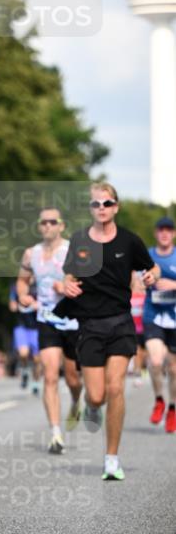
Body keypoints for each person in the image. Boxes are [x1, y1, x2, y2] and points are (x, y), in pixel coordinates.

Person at [56, 182, 159, 480]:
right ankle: (90, 406)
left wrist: (152, 275)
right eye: (96, 204)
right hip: (89, 325)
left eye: (107, 203)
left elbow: (152, 269)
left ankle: (111, 459)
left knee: (116, 389)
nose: (101, 209)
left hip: (120, 323)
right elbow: (68, 274)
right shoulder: (79, 240)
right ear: (90, 208)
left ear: (117, 206)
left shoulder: (129, 241)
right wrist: (66, 284)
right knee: (97, 396)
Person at [15, 208, 82, 454]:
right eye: (43, 222)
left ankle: (76, 400)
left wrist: (66, 284)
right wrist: (23, 295)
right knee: (50, 375)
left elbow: (85, 280)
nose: (47, 226)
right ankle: (56, 434)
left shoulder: (71, 250)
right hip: (46, 319)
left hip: (72, 319)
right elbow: (22, 280)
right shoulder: (30, 254)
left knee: (74, 378)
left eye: (52, 222)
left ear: (61, 226)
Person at [143, 216, 176, 433]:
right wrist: (144, 280)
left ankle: (172, 408)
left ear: (173, 234)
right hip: (153, 315)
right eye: (161, 230)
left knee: (174, 369)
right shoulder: (147, 255)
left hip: (174, 318)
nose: (164, 233)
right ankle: (158, 400)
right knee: (155, 361)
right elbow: (135, 280)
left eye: (168, 230)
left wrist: (173, 284)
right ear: (156, 233)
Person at [8, 281, 41, 393]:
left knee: (37, 359)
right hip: (21, 326)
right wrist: (20, 306)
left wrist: (37, 305)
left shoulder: (40, 285)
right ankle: (25, 369)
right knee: (23, 353)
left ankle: (36, 382)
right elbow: (12, 306)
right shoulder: (15, 286)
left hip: (36, 326)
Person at [130, 273, 147, 388]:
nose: (139, 285)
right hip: (134, 329)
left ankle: (143, 368)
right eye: (137, 283)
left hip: (145, 328)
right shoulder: (129, 296)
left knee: (145, 352)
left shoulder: (145, 297)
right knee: (138, 351)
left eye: (141, 283)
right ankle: (137, 373)